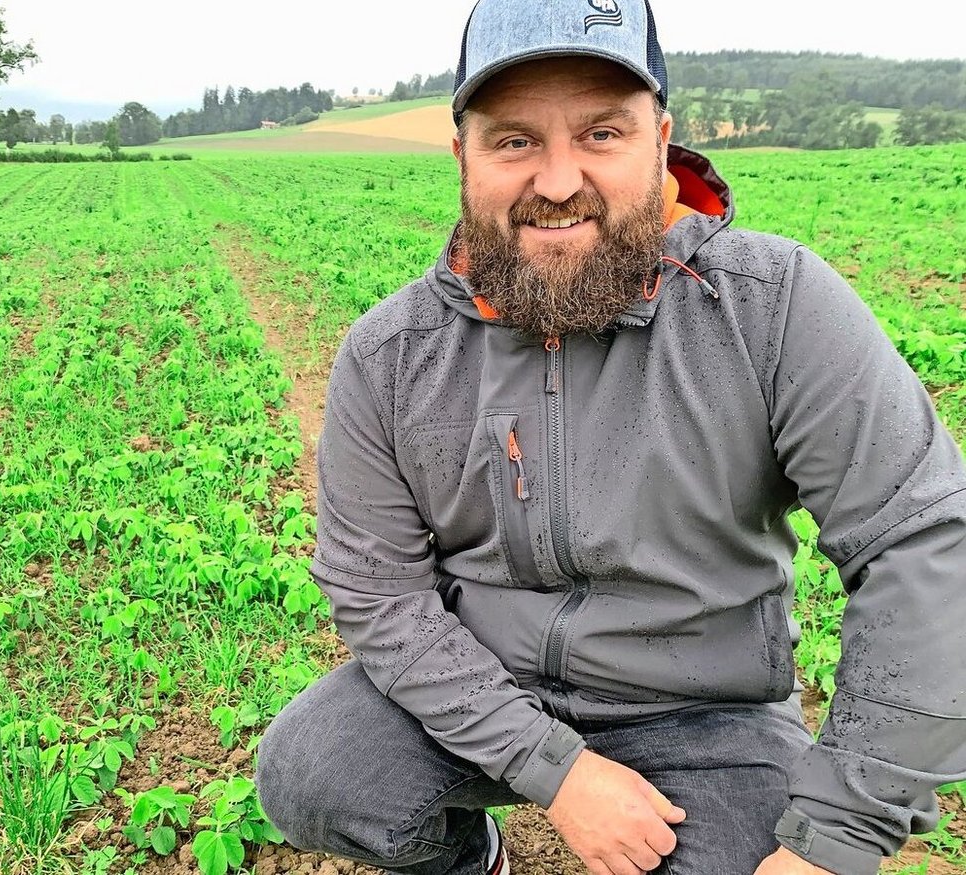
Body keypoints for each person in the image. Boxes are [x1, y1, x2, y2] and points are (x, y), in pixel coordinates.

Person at [252, 1, 966, 874]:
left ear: (661, 141)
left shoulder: (771, 306)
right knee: (316, 772)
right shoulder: (394, 353)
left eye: (600, 133)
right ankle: (468, 859)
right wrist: (557, 771)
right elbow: (379, 593)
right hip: (482, 681)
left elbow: (925, 545)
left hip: (704, 709)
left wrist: (836, 840)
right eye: (514, 141)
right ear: (462, 157)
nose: (557, 181)